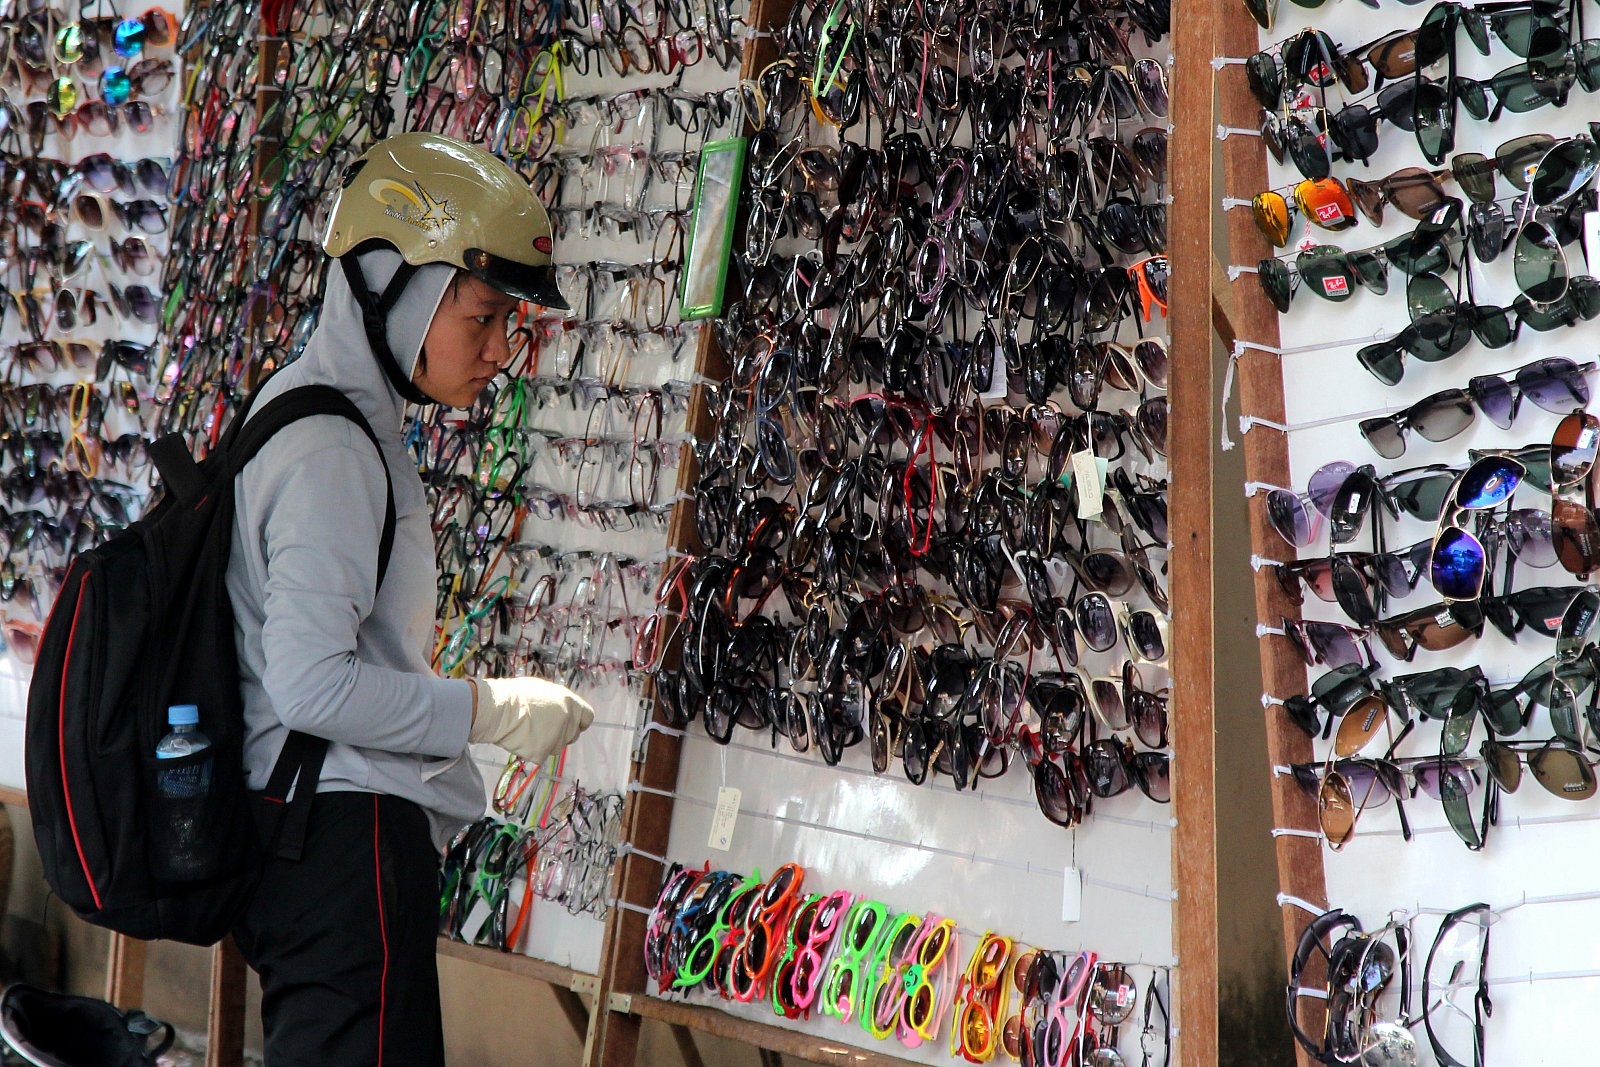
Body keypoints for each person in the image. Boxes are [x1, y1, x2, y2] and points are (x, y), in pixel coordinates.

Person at [225, 132, 593, 1067]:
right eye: (483, 316)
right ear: (397, 285)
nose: (500, 350)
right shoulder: (334, 448)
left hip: (321, 845)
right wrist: (487, 709)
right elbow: (311, 684)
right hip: (341, 851)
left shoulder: (320, 413)